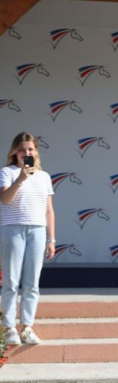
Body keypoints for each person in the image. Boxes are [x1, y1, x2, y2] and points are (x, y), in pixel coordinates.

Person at [1, 133, 55, 345]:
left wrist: (51, 239)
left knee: (32, 283)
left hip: (38, 231)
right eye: (22, 150)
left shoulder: (44, 176)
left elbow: (49, 210)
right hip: (13, 230)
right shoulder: (7, 172)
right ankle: (9, 327)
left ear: (36, 151)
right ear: (15, 151)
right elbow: (5, 200)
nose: (27, 153)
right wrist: (21, 178)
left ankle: (27, 327)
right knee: (11, 282)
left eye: (31, 149)